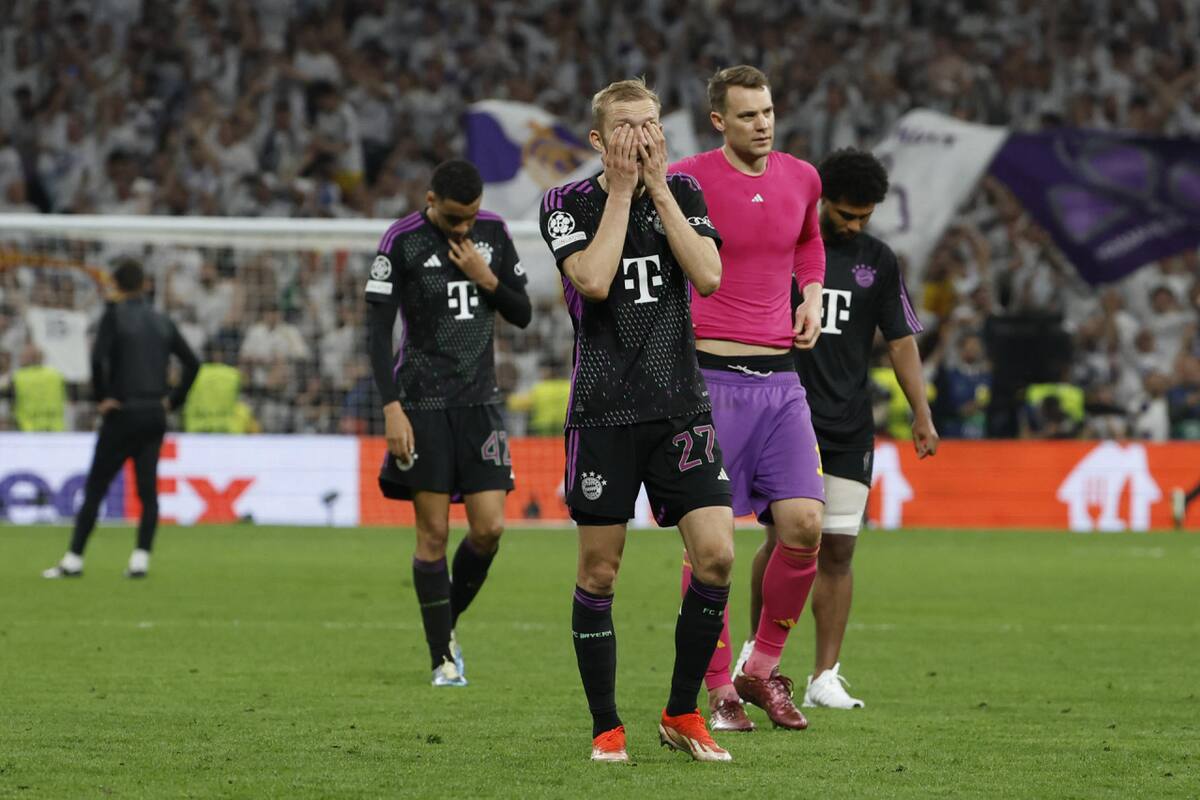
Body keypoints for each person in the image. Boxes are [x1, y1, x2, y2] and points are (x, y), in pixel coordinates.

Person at [540, 78, 735, 764]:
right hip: (604, 414)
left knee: (716, 555)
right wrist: (622, 191)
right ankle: (606, 724)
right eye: (628, 127)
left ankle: (683, 710)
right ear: (599, 139)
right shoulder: (564, 203)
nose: (644, 138)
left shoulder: (682, 193)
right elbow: (592, 281)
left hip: (680, 406)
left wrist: (654, 187)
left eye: (652, 125)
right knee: (600, 573)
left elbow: (709, 274)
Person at [670, 65, 826, 732]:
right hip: (708, 382)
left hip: (783, 382)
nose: (762, 124)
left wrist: (812, 294)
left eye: (767, 112)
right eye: (748, 115)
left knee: (805, 528)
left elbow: (810, 242)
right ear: (719, 122)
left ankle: (760, 670)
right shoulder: (686, 179)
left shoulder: (803, 177)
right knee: (712, 548)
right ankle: (718, 690)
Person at [365, 159, 531, 689]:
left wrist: (488, 279)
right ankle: (443, 658)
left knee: (490, 528)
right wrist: (392, 408)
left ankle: (446, 623)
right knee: (433, 533)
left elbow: (522, 312)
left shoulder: (495, 234)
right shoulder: (402, 241)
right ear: (431, 200)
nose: (464, 228)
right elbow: (376, 334)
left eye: (472, 216)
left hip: (480, 403)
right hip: (422, 405)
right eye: (455, 217)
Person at [788, 148, 938, 708]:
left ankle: (824, 676)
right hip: (787, 414)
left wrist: (921, 414)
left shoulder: (879, 259)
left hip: (849, 423)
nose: (854, 225)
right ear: (822, 199)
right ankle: (762, 657)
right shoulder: (791, 245)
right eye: (846, 214)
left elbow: (900, 340)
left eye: (864, 216)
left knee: (840, 550)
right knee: (787, 540)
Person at [43, 260, 200, 579]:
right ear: (144, 284)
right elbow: (193, 364)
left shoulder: (113, 317)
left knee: (97, 487)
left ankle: (74, 560)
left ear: (116, 284)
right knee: (147, 490)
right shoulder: (162, 320)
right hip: (154, 414)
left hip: (122, 412)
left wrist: (102, 398)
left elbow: (97, 359)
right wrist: (172, 400)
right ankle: (140, 560)